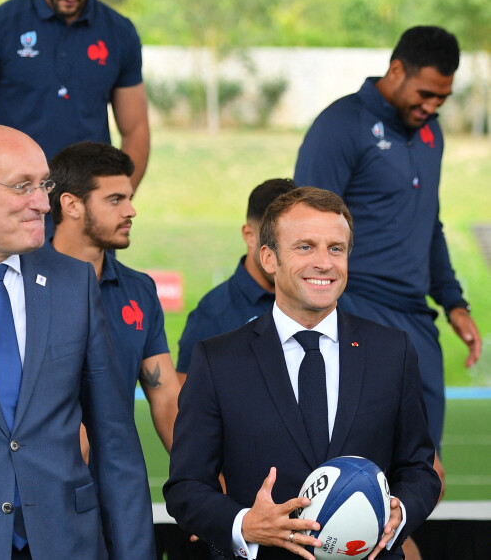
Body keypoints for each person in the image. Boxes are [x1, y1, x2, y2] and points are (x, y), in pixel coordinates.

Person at [0, 123, 155, 559]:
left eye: (43, 185)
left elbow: (115, 444)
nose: (43, 203)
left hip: (66, 544)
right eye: (22, 186)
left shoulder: (73, 284)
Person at [164, 187, 441, 560]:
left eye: (336, 249)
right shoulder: (217, 360)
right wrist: (245, 525)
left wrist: (399, 513)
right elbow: (186, 486)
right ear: (269, 258)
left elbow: (420, 470)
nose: (324, 262)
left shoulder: (393, 351)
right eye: (305, 247)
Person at [293, 26, 482, 492]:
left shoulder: (431, 134)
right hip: (356, 311)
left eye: (443, 98)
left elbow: (428, 222)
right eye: (425, 94)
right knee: (354, 481)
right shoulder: (340, 125)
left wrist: (454, 302)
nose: (432, 107)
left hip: (416, 322)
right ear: (396, 70)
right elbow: (306, 227)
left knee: (420, 479)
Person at [0, 0, 150, 237]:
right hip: (12, 207)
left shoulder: (119, 32)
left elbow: (136, 130)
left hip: (84, 214)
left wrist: (113, 203)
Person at [48, 141, 181, 454]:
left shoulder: (140, 290)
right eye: (115, 200)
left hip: (122, 488)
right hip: (45, 492)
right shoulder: (21, 284)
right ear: (71, 205)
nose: (131, 211)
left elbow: (166, 398)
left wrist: (203, 478)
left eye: (130, 198)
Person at [177, 178, 295, 384]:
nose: (284, 253)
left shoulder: (324, 304)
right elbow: (186, 408)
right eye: (273, 239)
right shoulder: (211, 316)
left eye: (296, 241)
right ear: (249, 235)